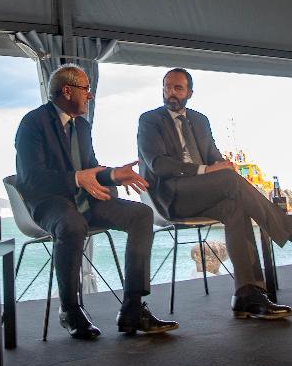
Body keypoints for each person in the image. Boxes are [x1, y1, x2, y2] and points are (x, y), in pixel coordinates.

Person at [138, 69, 292, 320]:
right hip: (171, 196)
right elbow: (158, 165)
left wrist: (221, 164)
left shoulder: (200, 120)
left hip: (204, 192)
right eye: (167, 87)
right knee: (229, 182)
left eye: (178, 88)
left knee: (235, 207)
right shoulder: (150, 120)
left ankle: (247, 293)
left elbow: (212, 153)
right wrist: (207, 169)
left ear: (190, 93)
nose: (171, 92)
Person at [14, 64, 176, 339]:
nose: (90, 96)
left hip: (85, 199)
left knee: (141, 215)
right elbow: (31, 178)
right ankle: (70, 309)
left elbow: (90, 168)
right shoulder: (33, 123)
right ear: (67, 90)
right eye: (86, 89)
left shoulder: (83, 125)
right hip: (49, 203)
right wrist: (77, 179)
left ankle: (132, 308)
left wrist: (113, 175)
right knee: (73, 225)